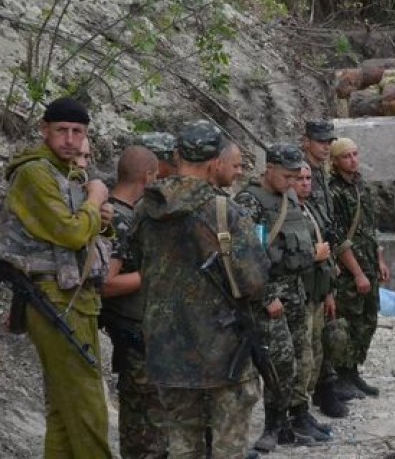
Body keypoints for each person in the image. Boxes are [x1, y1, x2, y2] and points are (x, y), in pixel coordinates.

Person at [132, 119, 269, 458]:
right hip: (223, 353)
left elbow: (137, 264)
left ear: (177, 155)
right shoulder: (224, 211)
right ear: (214, 163)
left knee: (181, 441)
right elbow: (254, 281)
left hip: (165, 349)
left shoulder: (146, 209)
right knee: (228, 445)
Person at [0, 97, 114, 458]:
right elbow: (70, 233)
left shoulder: (65, 173)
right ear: (43, 130)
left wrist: (100, 218)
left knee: (66, 409)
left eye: (76, 131)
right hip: (53, 296)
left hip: (74, 295)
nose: (69, 138)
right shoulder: (35, 173)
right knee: (87, 405)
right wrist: (95, 201)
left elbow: (87, 235)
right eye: (61, 130)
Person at [235, 143, 329, 452]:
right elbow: (248, 258)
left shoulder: (287, 198)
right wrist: (266, 297)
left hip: (295, 290)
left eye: (296, 177)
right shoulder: (250, 202)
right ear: (270, 168)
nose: (292, 183)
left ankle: (297, 417)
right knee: (278, 363)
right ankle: (274, 426)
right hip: (270, 297)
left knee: (301, 357)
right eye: (287, 176)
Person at [99, 145, 168, 459]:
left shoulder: (119, 214)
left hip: (138, 330)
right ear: (147, 176)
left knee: (146, 419)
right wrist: (154, 273)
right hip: (132, 332)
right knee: (146, 425)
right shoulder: (120, 220)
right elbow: (105, 283)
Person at [329, 138, 390, 398]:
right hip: (351, 270)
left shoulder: (361, 186)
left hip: (368, 263)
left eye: (355, 154)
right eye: (346, 156)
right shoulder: (335, 191)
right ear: (335, 161)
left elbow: (370, 228)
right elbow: (339, 238)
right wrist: (357, 273)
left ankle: (353, 372)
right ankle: (342, 374)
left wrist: (379, 260)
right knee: (349, 321)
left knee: (368, 320)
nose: (353, 160)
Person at [301, 120, 349, 417]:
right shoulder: (301, 173)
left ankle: (325, 385)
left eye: (329, 142)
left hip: (324, 257)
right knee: (310, 336)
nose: (326, 147)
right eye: (320, 141)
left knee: (326, 327)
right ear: (306, 141)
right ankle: (314, 393)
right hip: (309, 261)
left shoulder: (321, 172)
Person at [294, 161, 336, 431]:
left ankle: (305, 408)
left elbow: (326, 256)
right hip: (299, 295)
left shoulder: (309, 210)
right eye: (300, 178)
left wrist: (329, 292)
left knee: (316, 353)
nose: (306, 183)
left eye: (309, 178)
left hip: (317, 293)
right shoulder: (286, 212)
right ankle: (295, 413)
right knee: (303, 356)